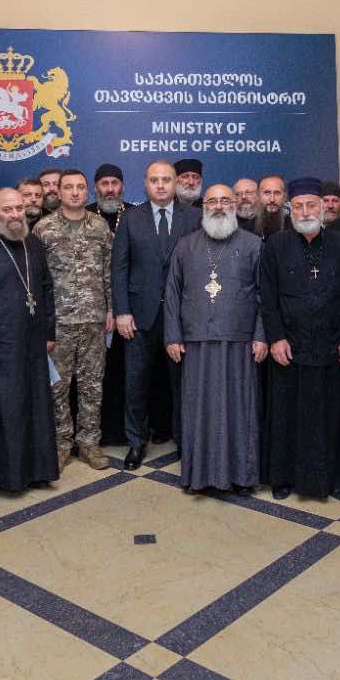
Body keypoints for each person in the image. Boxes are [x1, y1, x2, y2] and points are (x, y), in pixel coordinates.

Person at [260, 177, 340, 501]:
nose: (305, 212)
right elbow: (268, 298)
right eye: (299, 206)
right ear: (290, 209)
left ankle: (336, 480)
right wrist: (276, 338)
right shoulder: (276, 245)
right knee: (287, 416)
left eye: (311, 206)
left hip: (331, 348)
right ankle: (283, 478)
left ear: (322, 207)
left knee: (332, 417)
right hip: (289, 348)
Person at [164, 183, 267, 494]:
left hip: (239, 341)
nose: (219, 206)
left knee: (239, 410)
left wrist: (261, 335)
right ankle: (199, 476)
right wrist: (172, 336)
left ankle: (241, 476)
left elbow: (265, 296)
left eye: (225, 200)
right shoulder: (185, 246)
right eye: (212, 201)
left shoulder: (253, 244)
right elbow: (172, 293)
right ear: (204, 206)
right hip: (196, 341)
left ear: (234, 204)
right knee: (199, 411)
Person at [0, 188, 59, 503]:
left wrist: (49, 332)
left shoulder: (33, 244)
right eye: (8, 210)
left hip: (32, 343)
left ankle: (36, 470)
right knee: (1, 413)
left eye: (19, 208)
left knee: (34, 407)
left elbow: (46, 290)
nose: (16, 215)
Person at [112, 160, 201, 468]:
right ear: (145, 183)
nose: (161, 185)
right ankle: (136, 443)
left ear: (176, 183)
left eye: (166, 179)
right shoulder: (130, 218)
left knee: (183, 385)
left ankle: (186, 442)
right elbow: (119, 267)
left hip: (183, 317)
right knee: (135, 384)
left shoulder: (194, 217)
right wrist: (122, 311)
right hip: (139, 317)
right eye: (154, 180)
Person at [34, 169, 114, 471]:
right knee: (58, 386)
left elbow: (109, 271)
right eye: (68, 187)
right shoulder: (44, 229)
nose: (75, 192)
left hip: (95, 318)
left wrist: (111, 309)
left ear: (88, 190)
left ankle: (89, 443)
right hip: (59, 322)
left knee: (92, 384)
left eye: (80, 187)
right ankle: (61, 443)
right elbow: (37, 279)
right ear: (58, 191)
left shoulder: (100, 227)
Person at [93, 163, 130, 446]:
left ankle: (123, 430)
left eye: (114, 183)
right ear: (96, 188)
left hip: (127, 307)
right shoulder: (86, 215)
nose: (109, 189)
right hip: (92, 308)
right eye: (104, 183)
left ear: (122, 187)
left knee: (123, 370)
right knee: (96, 374)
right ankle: (97, 430)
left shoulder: (134, 215)